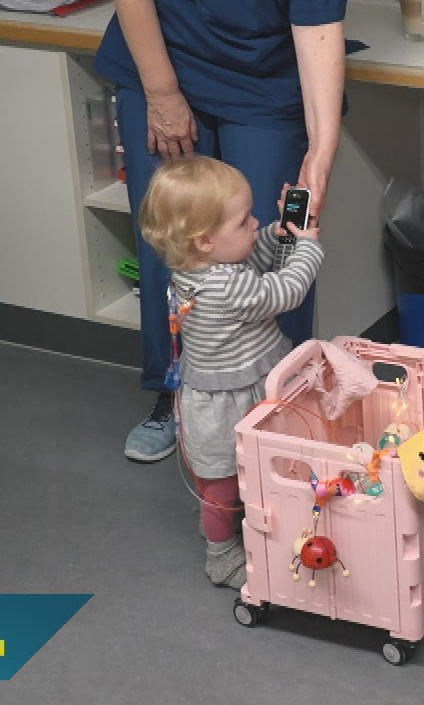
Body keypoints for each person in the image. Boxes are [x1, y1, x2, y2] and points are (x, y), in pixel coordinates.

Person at [79, 0, 353, 463]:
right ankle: (179, 396)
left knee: (266, 238)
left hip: (266, 75)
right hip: (164, 57)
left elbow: (319, 11)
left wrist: (322, 148)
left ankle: (281, 411)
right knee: (183, 244)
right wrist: (163, 94)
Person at [137, 156, 323, 588]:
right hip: (228, 402)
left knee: (241, 479)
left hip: (242, 386)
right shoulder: (224, 287)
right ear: (204, 240)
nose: (254, 224)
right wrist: (307, 245)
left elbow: (245, 261)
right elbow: (286, 290)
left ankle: (243, 529)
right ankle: (221, 555)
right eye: (244, 222)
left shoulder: (196, 268)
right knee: (221, 490)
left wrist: (277, 234)